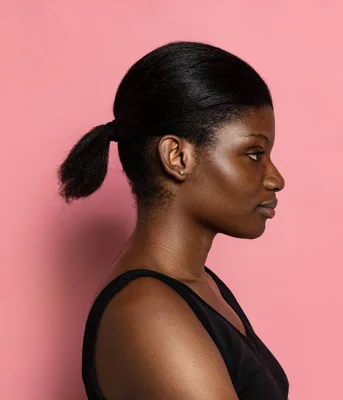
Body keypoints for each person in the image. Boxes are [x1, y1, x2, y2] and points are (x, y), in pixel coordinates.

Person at [58, 41, 288, 400]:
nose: (276, 178)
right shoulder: (148, 313)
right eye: (254, 153)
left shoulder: (201, 285)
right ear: (177, 157)